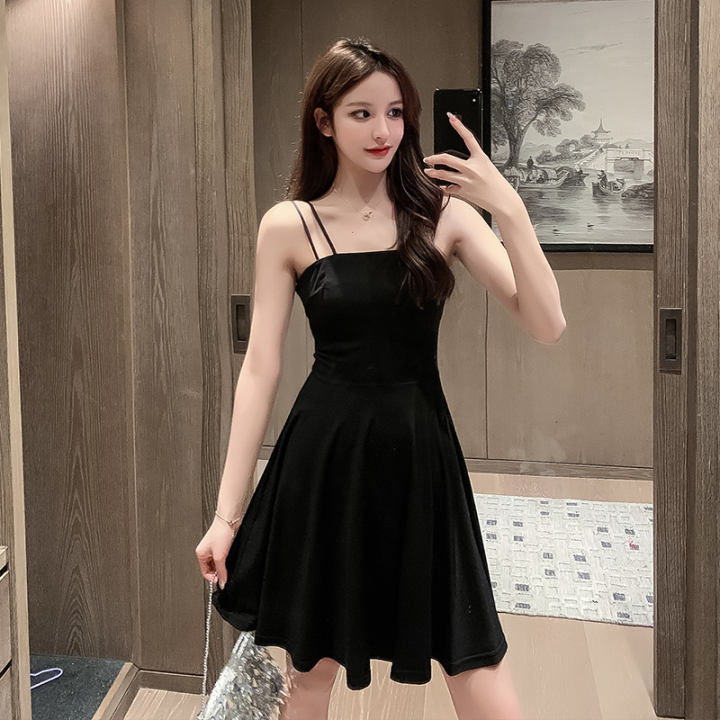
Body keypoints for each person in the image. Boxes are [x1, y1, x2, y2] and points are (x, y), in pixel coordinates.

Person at [196, 36, 564, 720]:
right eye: (361, 113)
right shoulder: (289, 225)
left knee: (476, 663)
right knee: (310, 673)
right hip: (324, 463)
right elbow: (261, 368)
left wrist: (509, 208)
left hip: (423, 457)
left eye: (394, 112)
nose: (383, 130)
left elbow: (547, 324)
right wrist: (226, 516)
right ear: (324, 121)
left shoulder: (444, 217)